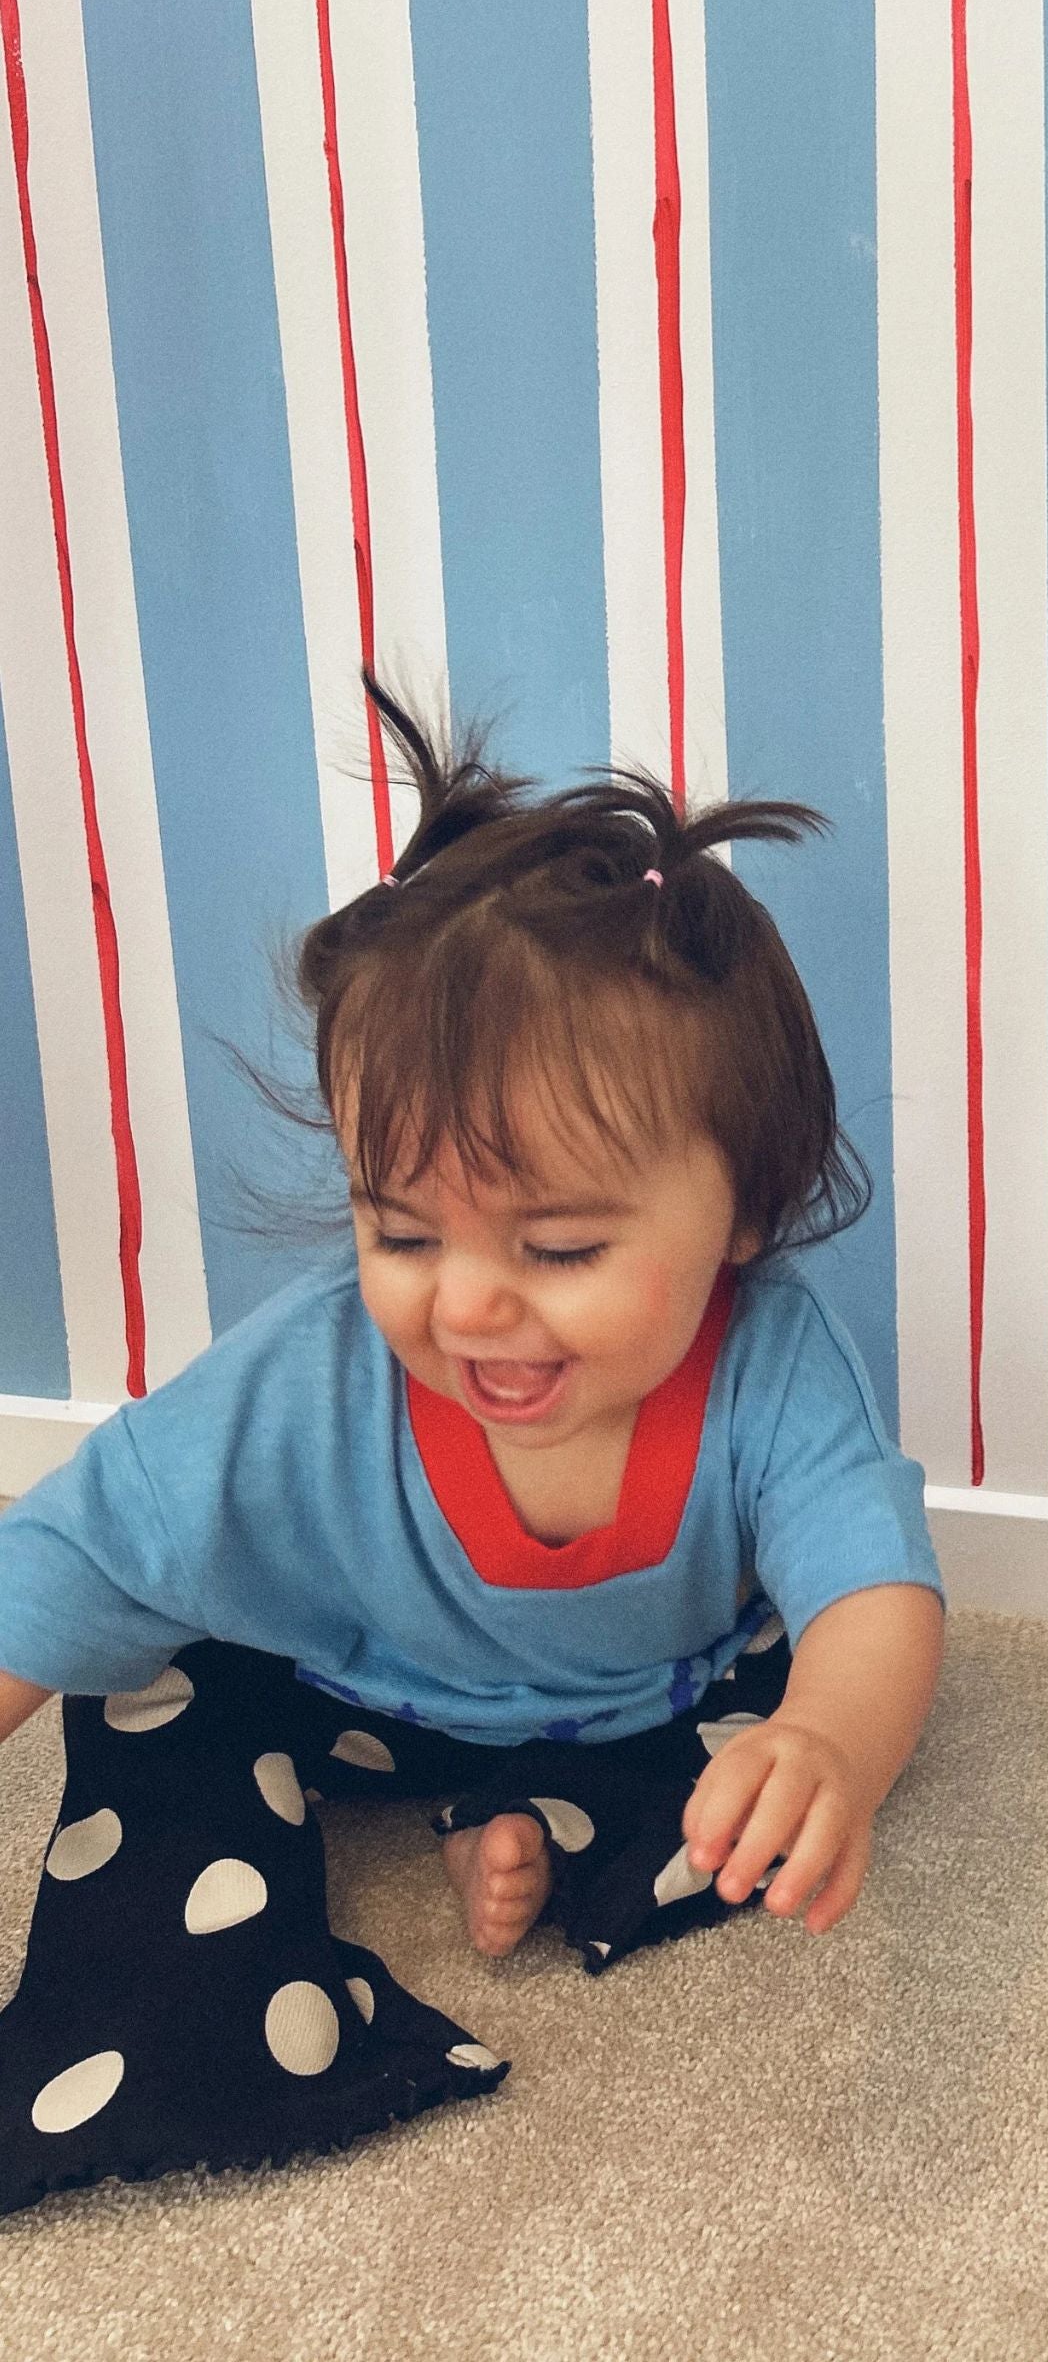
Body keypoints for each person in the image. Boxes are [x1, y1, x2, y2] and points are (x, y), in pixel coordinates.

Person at [0, 686, 944, 2214]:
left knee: (807, 1752)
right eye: (403, 1228)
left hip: (639, 1701)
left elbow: (875, 1585)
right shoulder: (308, 1381)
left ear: (746, 1216)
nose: (468, 1300)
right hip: (339, 1697)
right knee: (151, 1701)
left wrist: (830, 1742)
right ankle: (218, 2028)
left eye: (560, 1244)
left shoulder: (771, 1360)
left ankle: (527, 1824)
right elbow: (79, 1545)